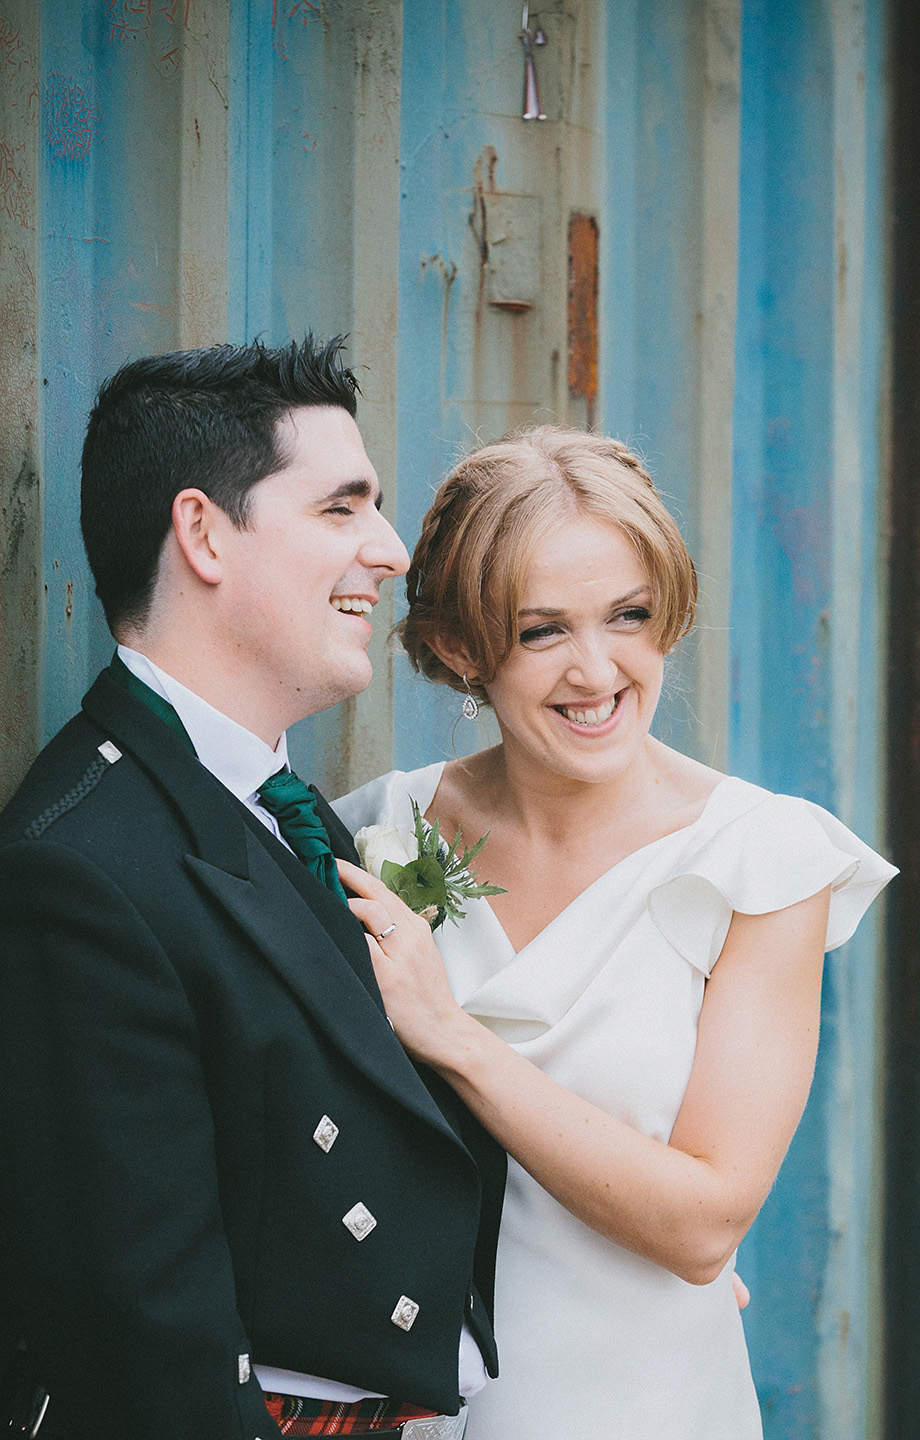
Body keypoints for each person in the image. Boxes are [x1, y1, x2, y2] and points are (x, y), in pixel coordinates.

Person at [0, 338, 505, 1440]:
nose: (391, 552)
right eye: (341, 509)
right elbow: (145, 1342)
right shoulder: (73, 878)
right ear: (204, 533)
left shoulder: (276, 809)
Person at [332, 425, 897, 1440]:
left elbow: (701, 1223)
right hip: (417, 1411)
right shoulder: (378, 833)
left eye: (628, 616)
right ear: (463, 646)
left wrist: (452, 1036)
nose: (598, 671)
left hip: (646, 1404)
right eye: (543, 630)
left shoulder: (759, 863)